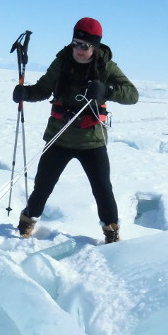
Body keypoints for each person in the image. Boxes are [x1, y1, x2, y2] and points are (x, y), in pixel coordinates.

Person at [12, 17, 139, 243]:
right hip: (59, 137)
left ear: (95, 47)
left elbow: (132, 95)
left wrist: (107, 90)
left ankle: (111, 234)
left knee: (102, 191)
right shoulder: (62, 62)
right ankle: (26, 224)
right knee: (42, 186)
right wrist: (27, 94)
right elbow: (43, 88)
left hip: (92, 141)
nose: (79, 50)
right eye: (75, 43)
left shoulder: (106, 66)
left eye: (85, 46)